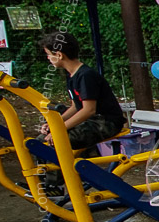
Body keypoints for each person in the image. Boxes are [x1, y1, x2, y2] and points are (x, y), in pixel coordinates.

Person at [39, 32, 126, 189]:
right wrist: (55, 123)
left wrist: (58, 130)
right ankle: (42, 182)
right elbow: (75, 106)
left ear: (59, 55)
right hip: (92, 120)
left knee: (57, 141)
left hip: (106, 121)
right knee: (40, 141)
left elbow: (89, 110)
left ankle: (54, 186)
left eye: (48, 55)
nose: (47, 58)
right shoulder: (71, 75)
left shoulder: (86, 76)